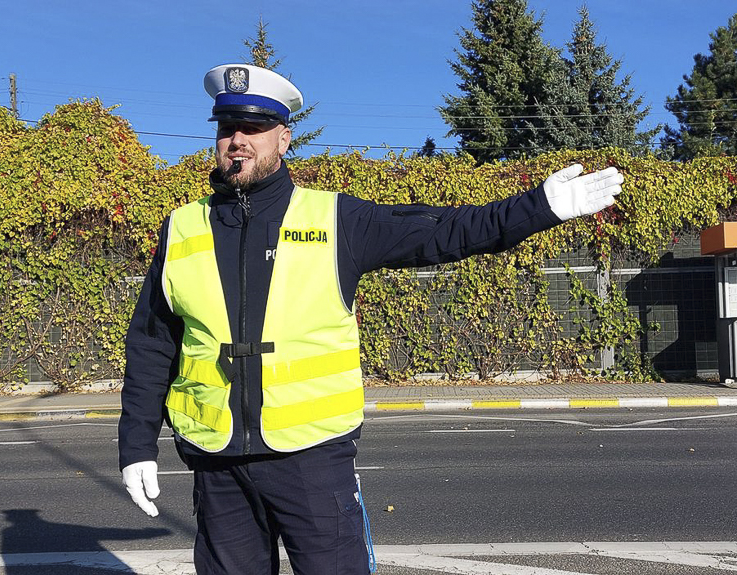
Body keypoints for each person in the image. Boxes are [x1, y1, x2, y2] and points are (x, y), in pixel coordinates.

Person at [118, 63, 623, 575]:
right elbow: (152, 343)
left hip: (312, 459)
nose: (238, 141)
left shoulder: (336, 220)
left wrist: (540, 207)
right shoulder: (183, 228)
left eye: (253, 129)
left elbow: (445, 231)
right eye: (228, 129)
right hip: (216, 460)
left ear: (284, 138)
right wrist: (137, 444)